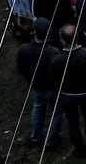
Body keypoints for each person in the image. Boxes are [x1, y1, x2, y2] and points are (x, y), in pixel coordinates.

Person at [50, 24, 86, 158]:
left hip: (68, 95)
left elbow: (54, 79)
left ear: (62, 40)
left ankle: (79, 148)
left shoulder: (57, 60)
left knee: (72, 121)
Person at [17, 18, 63, 146]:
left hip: (37, 87)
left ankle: (36, 136)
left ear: (34, 32)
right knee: (55, 113)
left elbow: (21, 69)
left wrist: (30, 79)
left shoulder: (24, 49)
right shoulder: (53, 52)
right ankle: (51, 139)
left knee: (38, 109)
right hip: (52, 88)